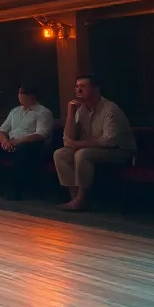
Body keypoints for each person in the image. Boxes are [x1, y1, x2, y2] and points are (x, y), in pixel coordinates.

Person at [54, 75, 136, 211]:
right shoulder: (80, 109)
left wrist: (78, 144)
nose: (78, 90)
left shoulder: (110, 109)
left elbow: (110, 140)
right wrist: (70, 111)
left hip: (119, 151)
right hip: (93, 148)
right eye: (76, 87)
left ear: (96, 89)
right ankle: (75, 197)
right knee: (60, 153)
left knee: (82, 154)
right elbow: (67, 139)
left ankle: (80, 199)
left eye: (83, 87)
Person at [0, 85, 53, 200]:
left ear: (32, 96)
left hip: (31, 145)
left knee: (22, 151)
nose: (20, 97)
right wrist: (4, 141)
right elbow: (1, 130)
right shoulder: (15, 111)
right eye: (19, 94)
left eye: (23, 94)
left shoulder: (43, 112)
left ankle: (16, 190)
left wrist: (17, 142)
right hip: (11, 142)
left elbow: (41, 134)